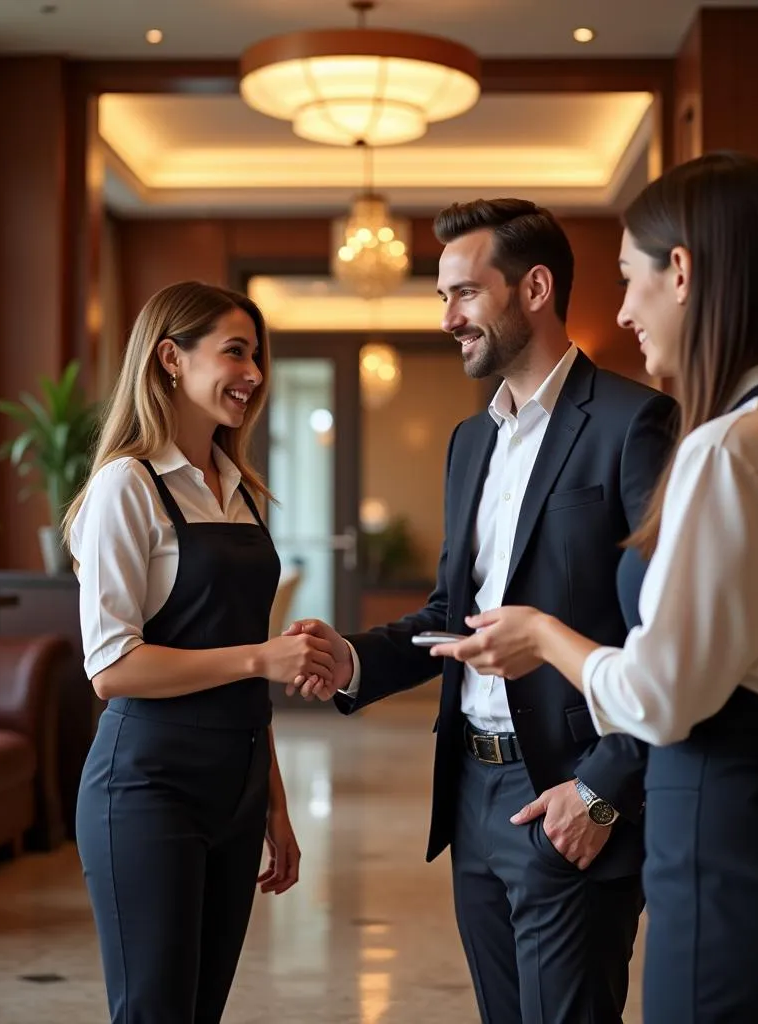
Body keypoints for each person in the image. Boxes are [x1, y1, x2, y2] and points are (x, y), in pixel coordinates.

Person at [431, 153, 758, 1023]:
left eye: (628, 278)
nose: (620, 309)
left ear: (679, 271)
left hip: (729, 842)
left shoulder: (724, 447)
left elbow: (658, 696)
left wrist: (543, 636)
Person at [288, 199, 677, 1023]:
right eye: (442, 297)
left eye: (464, 293)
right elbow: (450, 613)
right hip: (469, 788)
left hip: (567, 792)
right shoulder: (473, 443)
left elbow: (666, 634)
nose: (447, 318)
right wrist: (351, 658)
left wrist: (602, 793)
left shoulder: (632, 422)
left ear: (534, 288)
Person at [64, 281, 337, 1024]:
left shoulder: (240, 488)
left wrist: (275, 806)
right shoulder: (128, 487)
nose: (254, 372)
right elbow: (112, 670)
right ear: (170, 360)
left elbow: (247, 661)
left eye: (259, 355)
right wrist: (259, 660)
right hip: (147, 787)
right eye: (235, 351)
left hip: (238, 786)